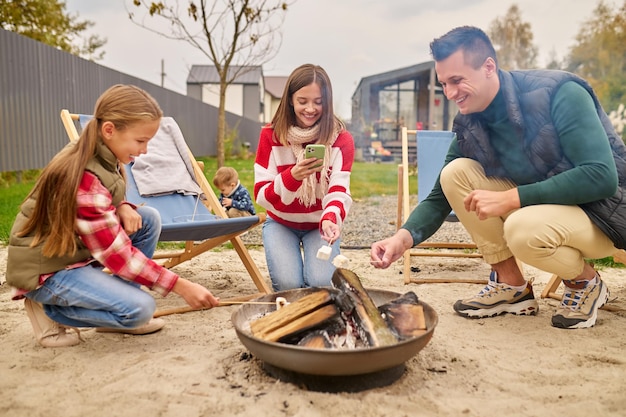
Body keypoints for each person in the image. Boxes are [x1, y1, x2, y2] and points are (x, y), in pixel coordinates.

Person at [371, 26, 626, 330]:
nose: (450, 94)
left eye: (457, 81)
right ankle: (512, 288)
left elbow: (601, 176)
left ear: (488, 67)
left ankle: (586, 284)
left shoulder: (560, 93)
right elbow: (441, 193)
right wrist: (403, 237)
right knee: (456, 174)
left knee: (522, 229)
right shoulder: (471, 119)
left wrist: (511, 198)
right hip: (547, 210)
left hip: (604, 214)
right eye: (443, 84)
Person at [6, 84, 220, 348]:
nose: (144, 150)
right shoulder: (82, 173)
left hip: (72, 253)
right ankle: (49, 308)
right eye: (140, 141)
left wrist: (123, 206)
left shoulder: (101, 150)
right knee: (141, 309)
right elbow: (118, 257)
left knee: (148, 218)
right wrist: (181, 286)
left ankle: (118, 306)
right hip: (48, 270)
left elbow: (108, 192)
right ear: (109, 130)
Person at [254, 64, 355, 291]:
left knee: (320, 285)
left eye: (318, 102)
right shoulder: (270, 136)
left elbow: (339, 187)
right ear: (290, 99)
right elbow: (261, 195)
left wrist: (330, 217)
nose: (311, 108)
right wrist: (292, 177)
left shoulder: (341, 139)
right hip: (280, 222)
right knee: (290, 285)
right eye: (303, 101)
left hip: (319, 224)